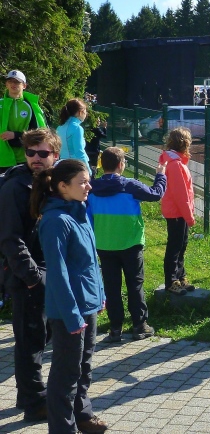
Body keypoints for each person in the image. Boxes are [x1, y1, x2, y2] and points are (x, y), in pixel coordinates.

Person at [31, 159, 108, 434]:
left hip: (87, 303)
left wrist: (99, 295)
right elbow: (59, 273)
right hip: (68, 312)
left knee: (83, 367)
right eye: (82, 182)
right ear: (63, 186)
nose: (89, 186)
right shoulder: (55, 221)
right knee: (66, 374)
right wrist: (72, 315)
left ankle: (82, 417)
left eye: (88, 180)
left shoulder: (79, 211)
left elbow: (91, 261)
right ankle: (63, 429)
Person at [0, 128, 59, 423]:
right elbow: (10, 238)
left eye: (43, 153)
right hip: (27, 276)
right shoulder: (15, 187)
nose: (36, 158)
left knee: (42, 334)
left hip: (48, 272)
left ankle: (28, 395)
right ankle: (34, 403)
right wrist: (33, 277)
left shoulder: (51, 183)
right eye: (30, 152)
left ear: (55, 155)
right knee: (30, 340)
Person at [87, 147, 167, 343]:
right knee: (135, 284)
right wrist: (160, 175)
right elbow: (156, 194)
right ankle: (139, 325)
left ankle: (115, 329)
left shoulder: (92, 188)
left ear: (102, 164)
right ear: (121, 165)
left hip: (104, 244)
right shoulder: (129, 185)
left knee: (112, 287)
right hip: (131, 243)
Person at [159, 127, 196, 296]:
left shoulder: (176, 162)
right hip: (177, 212)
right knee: (175, 246)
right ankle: (171, 281)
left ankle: (181, 276)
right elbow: (181, 194)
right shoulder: (175, 164)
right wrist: (189, 216)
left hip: (178, 212)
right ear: (184, 143)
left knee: (182, 244)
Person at [0, 70, 47, 173]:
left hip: (25, 157)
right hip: (2, 158)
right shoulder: (1, 104)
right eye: (10, 81)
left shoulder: (31, 106)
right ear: (6, 84)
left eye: (17, 82)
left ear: (24, 86)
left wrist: (15, 135)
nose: (13, 84)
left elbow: (39, 133)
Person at [57, 99, 91, 174]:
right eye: (85, 112)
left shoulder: (60, 127)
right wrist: (88, 170)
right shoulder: (77, 128)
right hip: (75, 167)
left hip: (62, 165)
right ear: (80, 112)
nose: (86, 114)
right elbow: (79, 151)